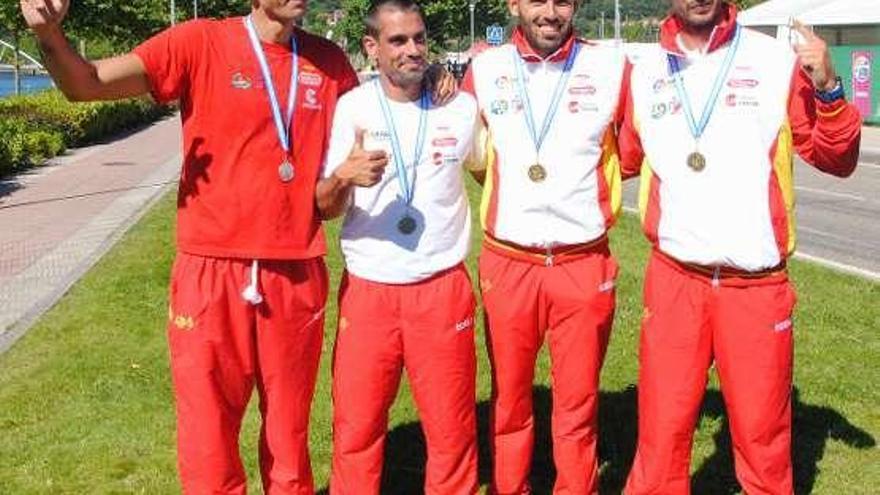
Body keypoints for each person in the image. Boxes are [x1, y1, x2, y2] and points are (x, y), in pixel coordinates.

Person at [19, 0, 361, 492]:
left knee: (289, 437)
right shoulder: (198, 42)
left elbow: (367, 139)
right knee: (208, 436)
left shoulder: (330, 63)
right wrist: (49, 35)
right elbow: (85, 84)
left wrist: (435, 78)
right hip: (210, 269)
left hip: (295, 269)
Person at [618, 1, 862, 494]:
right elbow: (616, 157)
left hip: (754, 287)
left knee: (762, 439)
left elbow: (837, 159)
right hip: (674, 281)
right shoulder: (643, 74)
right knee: (661, 434)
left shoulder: (775, 61)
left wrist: (829, 87)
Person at [462, 0, 628, 492]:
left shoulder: (611, 66)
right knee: (510, 402)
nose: (550, 12)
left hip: (582, 261)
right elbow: (472, 155)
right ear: (514, 4)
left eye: (562, 1)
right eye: (537, 1)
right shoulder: (484, 69)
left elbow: (639, 149)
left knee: (577, 404)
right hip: (510, 261)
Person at [316, 1, 479, 493]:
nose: (412, 50)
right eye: (397, 41)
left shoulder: (461, 107)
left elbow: (488, 171)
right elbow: (324, 206)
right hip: (370, 293)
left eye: (419, 38)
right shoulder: (353, 108)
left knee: (452, 432)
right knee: (357, 430)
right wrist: (344, 176)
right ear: (372, 47)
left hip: (441, 288)